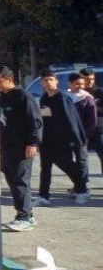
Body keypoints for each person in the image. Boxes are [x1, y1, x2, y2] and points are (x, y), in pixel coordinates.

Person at [0, 66, 43, 232]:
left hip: (22, 147)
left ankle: (24, 217)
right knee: (12, 180)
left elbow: (35, 121)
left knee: (21, 180)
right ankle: (27, 214)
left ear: (9, 79)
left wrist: (33, 143)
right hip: (7, 147)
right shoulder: (1, 98)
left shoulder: (23, 97)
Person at [34, 69, 90, 207]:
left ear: (56, 81)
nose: (47, 82)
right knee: (45, 168)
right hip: (47, 140)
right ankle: (43, 196)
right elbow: (43, 119)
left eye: (50, 80)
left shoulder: (62, 97)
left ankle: (82, 190)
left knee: (68, 166)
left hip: (62, 139)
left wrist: (77, 140)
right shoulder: (44, 98)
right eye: (45, 80)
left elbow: (71, 120)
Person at [69, 72, 98, 184]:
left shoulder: (87, 98)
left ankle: (82, 185)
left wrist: (85, 135)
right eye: (76, 84)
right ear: (70, 84)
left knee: (81, 160)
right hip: (67, 135)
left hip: (81, 135)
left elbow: (92, 120)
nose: (80, 86)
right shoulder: (65, 96)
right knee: (66, 160)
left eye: (81, 84)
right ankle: (78, 183)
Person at [81, 68, 103, 172]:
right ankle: (81, 180)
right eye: (87, 79)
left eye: (92, 79)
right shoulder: (77, 93)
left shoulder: (99, 92)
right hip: (83, 130)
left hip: (98, 129)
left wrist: (94, 106)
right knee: (81, 158)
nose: (90, 82)